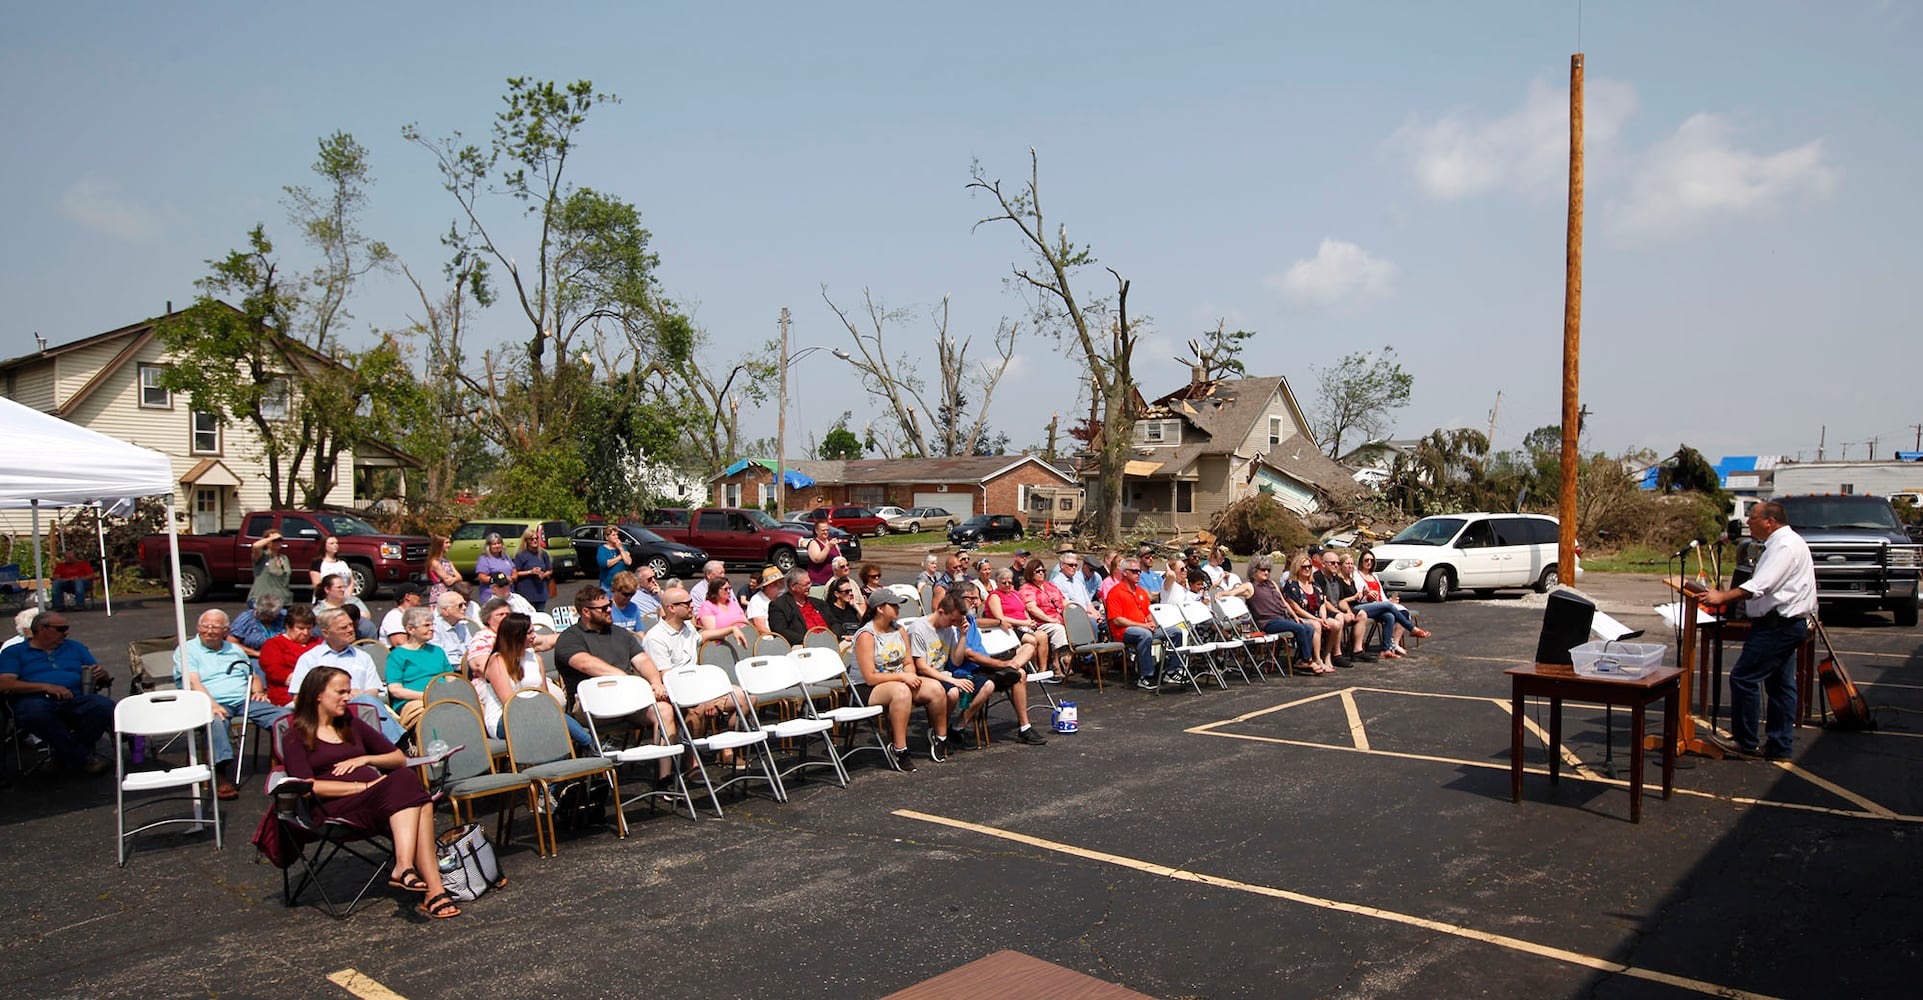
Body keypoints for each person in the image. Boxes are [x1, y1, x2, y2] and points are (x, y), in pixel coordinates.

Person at [279, 666, 459, 919]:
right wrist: (362, 787)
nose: (348, 697)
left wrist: (365, 759)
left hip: (377, 802)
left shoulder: (351, 724)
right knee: (414, 794)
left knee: (417, 796)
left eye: (348, 691)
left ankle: (416, 876)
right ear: (318, 694)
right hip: (333, 807)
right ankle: (422, 881)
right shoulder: (296, 736)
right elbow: (308, 786)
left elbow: (397, 757)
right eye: (340, 692)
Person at [1699, 501, 1817, 760]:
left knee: (1744, 678)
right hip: (1784, 623)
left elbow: (1761, 585)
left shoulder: (1785, 545)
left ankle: (1746, 740)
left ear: (1770, 521)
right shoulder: (1779, 544)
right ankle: (1779, 745)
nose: (1747, 523)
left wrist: (1723, 597)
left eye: (1752, 518)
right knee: (1780, 685)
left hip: (1778, 625)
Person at [554, 585, 677, 783]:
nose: (610, 609)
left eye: (609, 604)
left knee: (664, 710)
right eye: (603, 608)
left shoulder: (621, 634)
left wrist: (655, 683)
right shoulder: (569, 638)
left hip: (629, 701)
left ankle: (665, 777)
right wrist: (629, 681)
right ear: (586, 612)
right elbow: (587, 664)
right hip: (591, 707)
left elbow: (643, 660)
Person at [177, 609, 289, 797]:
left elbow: (252, 675)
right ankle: (221, 772)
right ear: (198, 627)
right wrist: (212, 704)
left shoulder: (235, 650)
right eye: (206, 626)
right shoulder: (187, 650)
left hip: (244, 699)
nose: (210, 631)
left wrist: (258, 691)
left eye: (215, 627)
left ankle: (288, 763)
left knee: (285, 718)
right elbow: (193, 682)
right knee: (216, 721)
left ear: (226, 631)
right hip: (209, 700)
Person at [0, 612, 114, 774]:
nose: (66, 632)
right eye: (61, 629)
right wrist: (44, 686)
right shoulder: (15, 652)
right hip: (34, 700)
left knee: (104, 706)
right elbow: (4, 683)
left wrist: (103, 674)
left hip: (73, 698)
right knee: (35, 712)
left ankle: (64, 755)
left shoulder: (75, 647)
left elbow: (100, 675)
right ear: (41, 629)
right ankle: (83, 758)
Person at [932, 591, 1047, 747]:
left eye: (976, 598)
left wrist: (998, 622)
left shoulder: (970, 619)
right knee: (1016, 675)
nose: (976, 602)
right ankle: (959, 725)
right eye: (971, 598)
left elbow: (980, 621)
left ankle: (1025, 727)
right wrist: (1000, 664)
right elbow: (969, 655)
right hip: (971, 670)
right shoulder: (953, 624)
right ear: (957, 600)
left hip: (986, 665)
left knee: (1026, 655)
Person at [643, 585, 747, 757]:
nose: (692, 605)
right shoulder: (656, 638)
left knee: (744, 697)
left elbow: (703, 636)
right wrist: (703, 699)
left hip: (699, 687)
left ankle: (724, 744)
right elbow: (668, 679)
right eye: (687, 603)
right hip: (676, 694)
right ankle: (692, 759)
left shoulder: (687, 628)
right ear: (671, 608)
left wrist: (731, 629)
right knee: (697, 709)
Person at [476, 612, 593, 751]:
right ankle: (590, 744)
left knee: (551, 715)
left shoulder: (536, 658)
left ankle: (584, 748)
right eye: (529, 633)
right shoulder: (498, 661)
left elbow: (545, 696)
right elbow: (509, 702)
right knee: (550, 717)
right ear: (516, 635)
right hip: (505, 718)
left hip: (538, 713)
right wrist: (540, 711)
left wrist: (542, 710)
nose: (534, 636)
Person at [851, 591, 942, 770]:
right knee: (901, 692)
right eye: (893, 605)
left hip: (898, 680)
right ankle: (900, 749)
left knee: (935, 688)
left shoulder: (899, 629)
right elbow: (870, 677)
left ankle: (940, 738)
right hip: (866, 688)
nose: (898, 608)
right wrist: (902, 677)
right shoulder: (866, 636)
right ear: (880, 608)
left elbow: (908, 662)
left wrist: (908, 674)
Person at [290, 608, 405, 744]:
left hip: (361, 711)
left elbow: (373, 693)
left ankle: (393, 746)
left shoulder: (363, 657)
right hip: (327, 713)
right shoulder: (310, 659)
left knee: (367, 701)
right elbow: (299, 697)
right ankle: (401, 743)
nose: (350, 629)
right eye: (343, 627)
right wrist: (341, 697)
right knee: (366, 701)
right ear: (326, 633)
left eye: (351, 625)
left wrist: (358, 696)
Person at [1245, 555, 1323, 674]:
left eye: (1268, 570)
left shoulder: (1271, 584)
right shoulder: (1250, 586)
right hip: (1268, 622)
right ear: (1254, 571)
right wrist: (1221, 593)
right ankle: (1308, 660)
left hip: (1282, 618)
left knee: (1309, 627)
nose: (1266, 572)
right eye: (1263, 570)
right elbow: (1234, 591)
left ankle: (1301, 660)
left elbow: (1284, 603)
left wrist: (1296, 617)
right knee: (1300, 628)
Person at [1349, 551, 1427, 658]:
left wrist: (1389, 600)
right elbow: (1357, 594)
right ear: (1361, 562)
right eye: (1366, 560)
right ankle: (1412, 629)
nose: (1369, 562)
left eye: (1371, 560)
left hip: (1379, 605)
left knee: (1390, 615)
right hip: (1364, 606)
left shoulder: (1374, 576)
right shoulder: (1356, 575)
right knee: (1388, 606)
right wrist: (1367, 595)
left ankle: (1386, 649)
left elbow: (1381, 595)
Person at [385, 606, 450, 730]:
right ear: (410, 629)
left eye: (432, 625)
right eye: (426, 625)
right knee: (432, 715)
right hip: (413, 702)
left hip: (442, 697)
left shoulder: (437, 651)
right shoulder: (397, 655)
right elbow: (395, 689)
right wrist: (426, 695)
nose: (432, 629)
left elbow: (450, 678)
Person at [1104, 558, 1162, 689]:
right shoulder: (1115, 593)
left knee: (1175, 632)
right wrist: (1144, 626)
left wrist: (1152, 623)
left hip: (1145, 628)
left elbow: (1148, 613)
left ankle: (1171, 670)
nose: (1138, 574)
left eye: (1139, 571)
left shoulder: (1141, 591)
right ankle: (1145, 676)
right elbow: (1117, 620)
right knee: (1145, 635)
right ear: (1125, 572)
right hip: (1124, 632)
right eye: (1135, 571)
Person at [1284, 554, 1344, 671]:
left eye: (1309, 566)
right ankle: (1317, 659)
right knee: (1316, 625)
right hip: (1302, 617)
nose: (1307, 569)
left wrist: (1324, 618)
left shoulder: (1314, 584)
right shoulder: (1292, 585)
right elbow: (1296, 609)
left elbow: (1322, 603)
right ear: (1297, 568)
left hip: (1317, 616)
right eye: (1304, 567)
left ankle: (1327, 655)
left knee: (1336, 624)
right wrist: (1317, 620)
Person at [1018, 561, 1071, 681]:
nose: (1041, 573)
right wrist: (1050, 620)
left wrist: (1072, 614)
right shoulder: (1027, 588)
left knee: (1080, 624)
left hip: (1059, 618)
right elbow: (1032, 608)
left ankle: (1069, 658)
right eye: (1038, 571)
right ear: (1031, 573)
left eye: (1043, 571)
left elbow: (1064, 601)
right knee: (1058, 629)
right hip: (1041, 622)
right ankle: (1056, 661)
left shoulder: (1050, 586)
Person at [259, 605, 320, 705]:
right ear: (288, 626)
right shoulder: (274, 644)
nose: (305, 632)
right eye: (300, 628)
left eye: (309, 628)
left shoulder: (319, 643)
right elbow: (277, 673)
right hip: (287, 696)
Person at [768, 568, 832, 645]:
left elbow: (834, 622)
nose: (810, 586)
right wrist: (809, 640)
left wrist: (833, 635)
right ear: (793, 587)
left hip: (830, 641)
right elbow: (781, 632)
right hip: (802, 645)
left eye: (810, 583)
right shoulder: (779, 606)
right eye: (806, 584)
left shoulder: (819, 603)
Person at [695, 577, 753, 650]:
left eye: (730, 588)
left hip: (743, 641)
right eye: (725, 589)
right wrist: (732, 629)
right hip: (721, 646)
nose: (729, 591)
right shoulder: (707, 606)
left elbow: (746, 624)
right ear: (715, 591)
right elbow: (711, 632)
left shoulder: (734, 604)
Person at [313, 573, 376, 640]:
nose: (343, 590)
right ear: (327, 589)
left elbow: (366, 616)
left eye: (344, 587)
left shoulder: (353, 601)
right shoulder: (318, 610)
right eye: (339, 587)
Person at [511, 526, 554, 612]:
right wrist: (530, 572)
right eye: (531, 539)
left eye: (536, 538)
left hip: (541, 591)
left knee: (540, 614)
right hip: (526, 590)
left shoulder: (543, 554)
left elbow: (550, 570)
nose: (534, 541)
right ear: (526, 540)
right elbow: (516, 573)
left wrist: (543, 574)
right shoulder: (521, 555)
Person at [230, 594, 287, 658]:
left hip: (282, 656)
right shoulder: (246, 619)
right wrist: (256, 653)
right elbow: (231, 642)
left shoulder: (284, 616)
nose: (269, 619)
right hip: (254, 658)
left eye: (272, 616)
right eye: (266, 615)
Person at [429, 592, 474, 672]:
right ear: (445, 611)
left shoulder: (461, 625)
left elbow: (471, 648)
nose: (464, 608)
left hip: (468, 668)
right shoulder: (433, 629)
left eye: (465, 604)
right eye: (460, 605)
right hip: (449, 673)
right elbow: (443, 659)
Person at [248, 530, 294, 608]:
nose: (278, 542)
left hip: (283, 600)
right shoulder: (262, 556)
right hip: (262, 601)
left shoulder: (284, 558)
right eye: (275, 541)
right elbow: (256, 546)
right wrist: (271, 537)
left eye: (280, 540)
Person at [473, 533, 515, 603]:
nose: (497, 546)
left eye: (499, 543)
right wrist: (499, 580)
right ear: (489, 546)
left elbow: (514, 569)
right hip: (491, 595)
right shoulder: (484, 558)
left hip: (508, 594)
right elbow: (482, 577)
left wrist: (513, 577)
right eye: (494, 544)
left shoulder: (505, 556)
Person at [379, 584, 425, 648]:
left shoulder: (413, 616)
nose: (421, 597)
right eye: (418, 595)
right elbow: (400, 645)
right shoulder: (394, 616)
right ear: (408, 596)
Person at [744, 567, 784, 636]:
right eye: (780, 582)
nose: (783, 584)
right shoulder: (756, 600)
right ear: (770, 585)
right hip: (766, 639)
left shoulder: (781, 597)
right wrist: (779, 639)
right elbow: (761, 628)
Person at [823, 576, 865, 642]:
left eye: (851, 590)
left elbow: (867, 623)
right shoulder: (829, 610)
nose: (851, 593)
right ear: (837, 594)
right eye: (846, 591)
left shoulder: (851, 608)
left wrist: (856, 606)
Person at [425, 535, 462, 605]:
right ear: (439, 544)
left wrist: (455, 578)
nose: (449, 545)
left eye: (449, 542)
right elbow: (448, 581)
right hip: (440, 593)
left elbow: (460, 577)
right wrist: (455, 578)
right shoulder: (435, 563)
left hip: (450, 592)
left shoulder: (447, 561)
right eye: (446, 543)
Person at [595, 526, 633, 592]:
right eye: (613, 535)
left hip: (622, 584)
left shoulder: (622, 547)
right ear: (607, 537)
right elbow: (605, 564)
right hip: (608, 585)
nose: (616, 537)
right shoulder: (602, 549)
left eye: (617, 535)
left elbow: (628, 562)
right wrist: (620, 557)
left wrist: (621, 549)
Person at [804, 520, 841, 588]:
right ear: (816, 531)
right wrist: (828, 547)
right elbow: (818, 559)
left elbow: (840, 559)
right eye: (823, 530)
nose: (826, 532)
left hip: (834, 581)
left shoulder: (832, 542)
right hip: (819, 582)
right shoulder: (814, 543)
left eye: (827, 530)